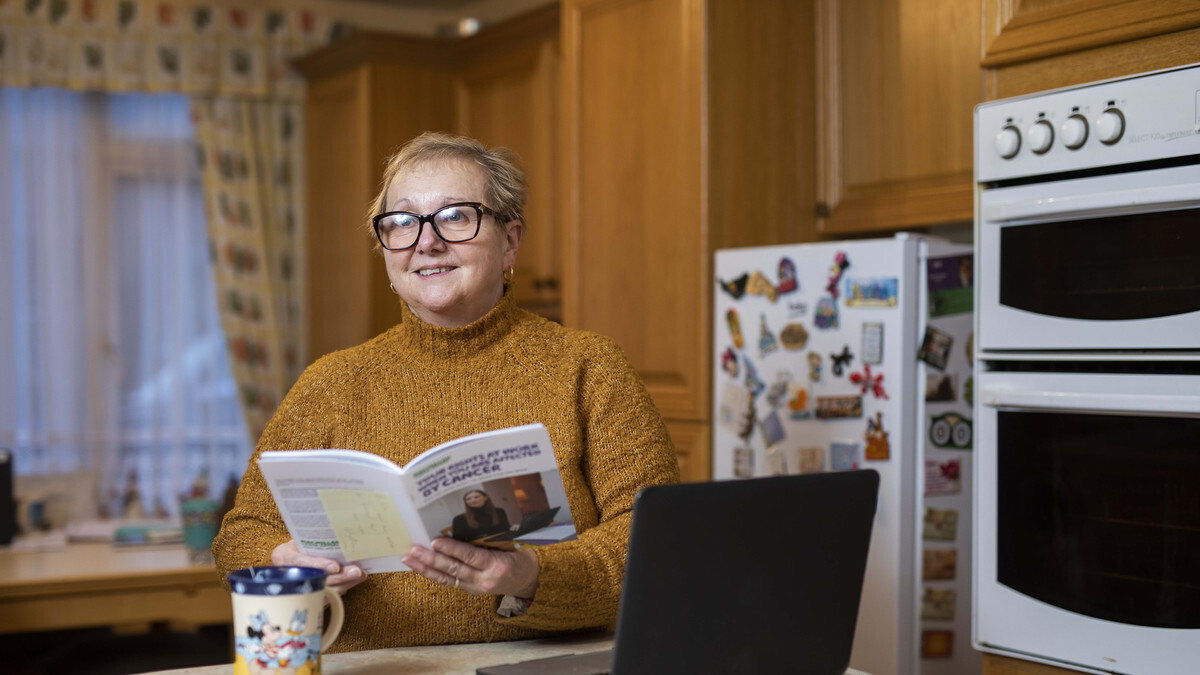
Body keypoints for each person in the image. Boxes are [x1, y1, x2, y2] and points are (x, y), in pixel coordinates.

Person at [212, 131, 680, 652]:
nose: (425, 242)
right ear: (386, 251)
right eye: (402, 223)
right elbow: (241, 533)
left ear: (511, 241)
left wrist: (527, 575)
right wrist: (284, 559)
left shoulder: (590, 368)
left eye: (456, 216)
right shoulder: (330, 383)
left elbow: (655, 546)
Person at [452, 489, 518, 542]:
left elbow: (505, 528)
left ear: (485, 498)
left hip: (503, 542)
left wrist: (513, 527)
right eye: (468, 499)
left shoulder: (499, 511)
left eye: (476, 497)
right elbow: (458, 541)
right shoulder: (459, 519)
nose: (472, 500)